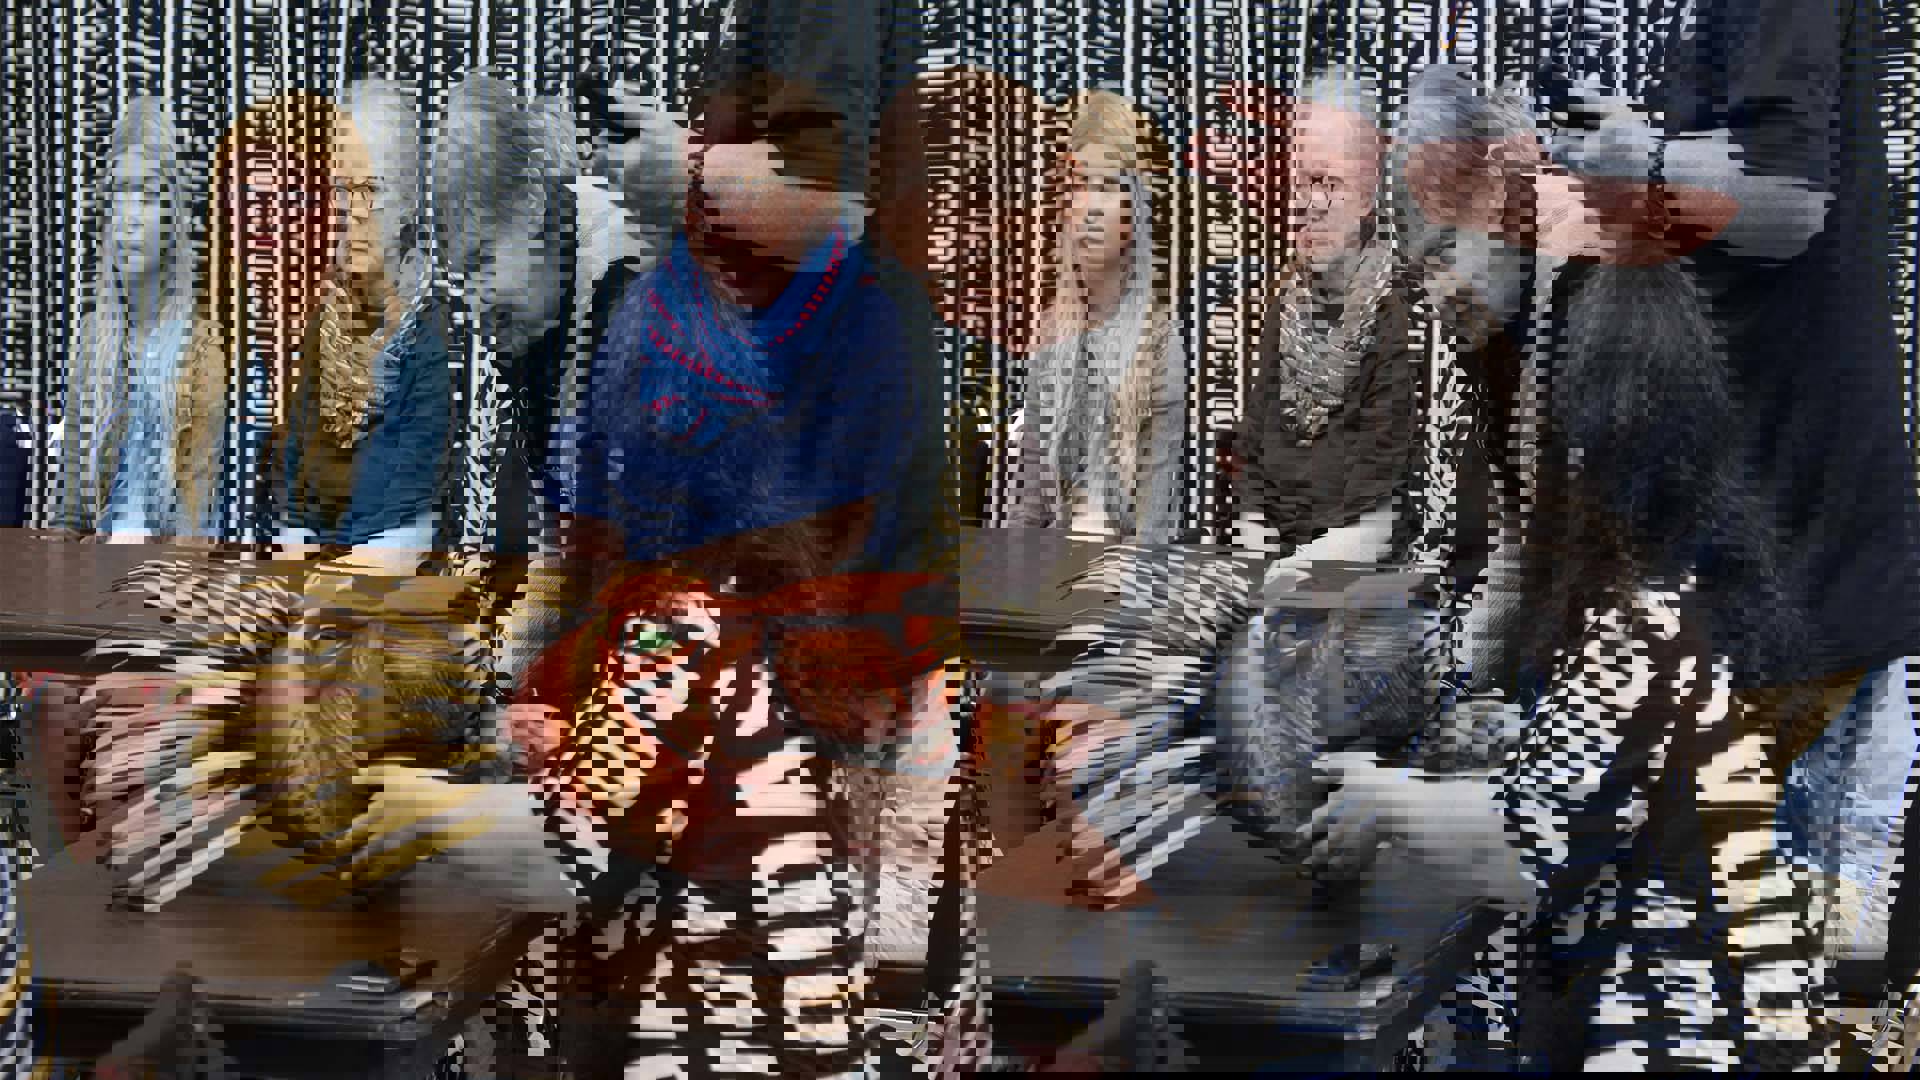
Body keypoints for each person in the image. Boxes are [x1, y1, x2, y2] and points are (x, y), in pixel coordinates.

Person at [1006, 89, 1188, 544]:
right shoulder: (1052, 331)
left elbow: (1157, 519)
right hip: (1049, 572)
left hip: (1125, 579)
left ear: (1137, 209)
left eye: (1106, 187)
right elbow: (1028, 501)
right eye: (1078, 186)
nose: (1088, 208)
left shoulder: (1160, 341)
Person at [55, 99, 197, 540]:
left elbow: (208, 517)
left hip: (176, 579)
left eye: (148, 195)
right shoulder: (95, 337)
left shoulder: (206, 339)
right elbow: (72, 510)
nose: (128, 218)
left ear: (176, 213)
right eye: (117, 194)